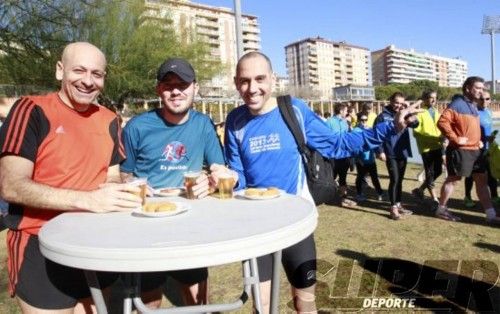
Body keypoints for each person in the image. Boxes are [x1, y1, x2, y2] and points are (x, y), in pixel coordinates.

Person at [221, 51, 421, 313]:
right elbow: (239, 176)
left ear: (272, 79)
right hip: (258, 229)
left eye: (260, 79)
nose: (252, 88)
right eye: (244, 81)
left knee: (304, 304)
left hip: (296, 225)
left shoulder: (293, 110)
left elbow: (338, 145)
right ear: (236, 82)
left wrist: (390, 128)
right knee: (263, 306)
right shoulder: (235, 120)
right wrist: (229, 178)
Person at [0, 42, 142, 313]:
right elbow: (11, 186)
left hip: (96, 243)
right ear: (59, 70)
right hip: (38, 244)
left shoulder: (110, 120)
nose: (88, 81)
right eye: (79, 71)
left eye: (97, 74)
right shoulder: (31, 109)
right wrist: (88, 200)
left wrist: (119, 192)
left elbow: (110, 177)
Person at [120, 57, 226, 307]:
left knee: (198, 301)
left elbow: (219, 170)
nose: (176, 90)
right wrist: (134, 183)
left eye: (183, 84)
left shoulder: (203, 125)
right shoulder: (136, 126)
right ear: (159, 89)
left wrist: (211, 182)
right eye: (168, 85)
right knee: (149, 303)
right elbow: (124, 173)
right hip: (146, 224)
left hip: (190, 224)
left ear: (195, 88)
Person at [437, 76, 500, 224]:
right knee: (453, 180)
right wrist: (455, 138)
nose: (480, 91)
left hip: (476, 151)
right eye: (477, 88)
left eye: (482, 88)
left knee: (481, 181)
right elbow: (442, 122)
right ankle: (441, 209)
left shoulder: (473, 105)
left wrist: (478, 140)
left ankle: (490, 215)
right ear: (467, 88)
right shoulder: (458, 104)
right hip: (461, 150)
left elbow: (470, 128)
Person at [375, 92, 420, 220]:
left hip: (403, 151)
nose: (398, 105)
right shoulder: (382, 116)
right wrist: (380, 151)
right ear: (390, 101)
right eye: (396, 102)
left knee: (400, 179)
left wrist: (408, 111)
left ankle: (398, 204)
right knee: (394, 179)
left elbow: (416, 124)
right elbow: (376, 136)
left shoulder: (405, 113)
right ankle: (393, 207)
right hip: (390, 152)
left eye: (401, 103)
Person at [463, 90, 499, 208]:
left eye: (487, 99)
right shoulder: (473, 113)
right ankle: (467, 197)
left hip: (489, 148)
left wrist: (490, 137)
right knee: (472, 175)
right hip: (475, 148)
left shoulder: (489, 112)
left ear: (490, 100)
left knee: (492, 173)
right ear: (477, 99)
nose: (484, 101)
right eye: (482, 99)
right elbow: (468, 132)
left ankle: (494, 196)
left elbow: (487, 128)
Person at [411, 90, 445, 204]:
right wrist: (436, 138)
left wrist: (445, 137)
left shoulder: (437, 112)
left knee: (439, 171)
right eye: (431, 97)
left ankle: (420, 190)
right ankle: (434, 199)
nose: (434, 100)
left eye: (435, 97)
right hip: (426, 149)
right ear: (425, 99)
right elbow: (416, 133)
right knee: (430, 172)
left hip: (438, 146)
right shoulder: (419, 113)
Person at [326, 103, 356, 206]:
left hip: (344, 154)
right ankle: (329, 196)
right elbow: (326, 136)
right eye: (346, 110)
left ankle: (343, 197)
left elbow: (349, 136)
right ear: (341, 111)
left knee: (343, 177)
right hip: (333, 155)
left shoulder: (345, 122)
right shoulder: (329, 122)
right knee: (332, 176)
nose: (347, 112)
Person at [352, 113, 384, 202]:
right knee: (360, 177)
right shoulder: (356, 131)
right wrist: (357, 158)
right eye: (362, 120)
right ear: (358, 120)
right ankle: (359, 194)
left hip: (370, 159)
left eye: (366, 120)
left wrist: (379, 152)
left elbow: (376, 142)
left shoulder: (370, 129)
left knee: (374, 177)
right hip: (361, 159)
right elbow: (354, 146)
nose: (364, 122)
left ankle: (380, 193)